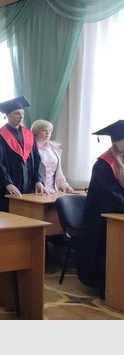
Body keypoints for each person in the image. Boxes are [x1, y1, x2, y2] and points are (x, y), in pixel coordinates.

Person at [76, 120, 124, 296]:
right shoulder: (103, 164)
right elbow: (109, 196)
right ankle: (109, 288)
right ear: (116, 142)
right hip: (101, 220)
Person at [0, 96, 45, 212]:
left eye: (22, 113)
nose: (21, 116)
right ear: (7, 116)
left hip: (29, 187)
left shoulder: (29, 134)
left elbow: (37, 159)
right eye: (17, 113)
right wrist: (7, 183)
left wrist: (38, 180)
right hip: (8, 188)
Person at [30, 119, 75, 194]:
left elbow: (59, 171)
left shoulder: (53, 148)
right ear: (36, 132)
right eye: (44, 130)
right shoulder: (30, 148)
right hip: (37, 190)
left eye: (50, 130)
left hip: (53, 190)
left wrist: (65, 186)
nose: (48, 133)